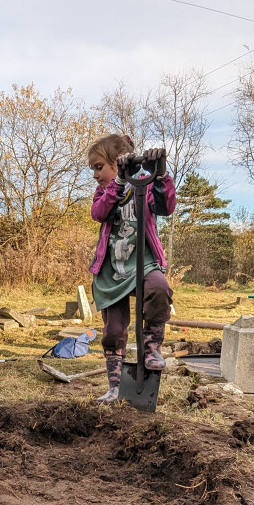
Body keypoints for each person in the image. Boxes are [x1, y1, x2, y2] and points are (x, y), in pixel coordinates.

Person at [87, 133, 177, 404]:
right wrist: (118, 182)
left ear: (117, 161)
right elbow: (99, 213)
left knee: (159, 288)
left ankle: (151, 349)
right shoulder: (105, 190)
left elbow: (166, 206)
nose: (95, 175)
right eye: (93, 169)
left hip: (143, 261)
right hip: (112, 268)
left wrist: (160, 176)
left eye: (99, 167)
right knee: (113, 331)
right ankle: (115, 387)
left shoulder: (146, 186)